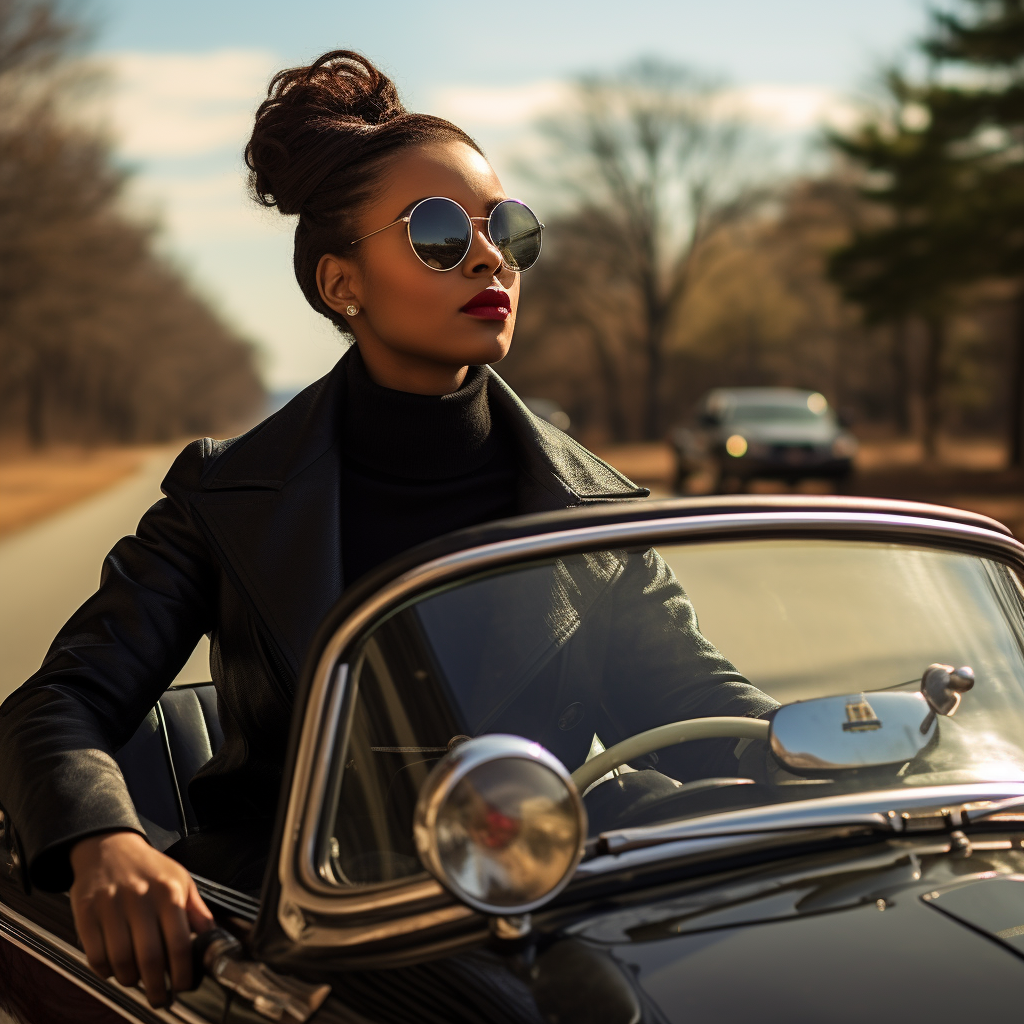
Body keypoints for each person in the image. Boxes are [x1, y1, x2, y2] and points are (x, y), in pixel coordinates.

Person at [0, 50, 771, 1007]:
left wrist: (815, 744)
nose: (490, 256)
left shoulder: (591, 507)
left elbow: (696, 710)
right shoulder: (224, 494)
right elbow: (59, 704)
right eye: (440, 232)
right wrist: (102, 842)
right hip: (307, 937)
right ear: (341, 284)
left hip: (543, 909)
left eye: (507, 228)